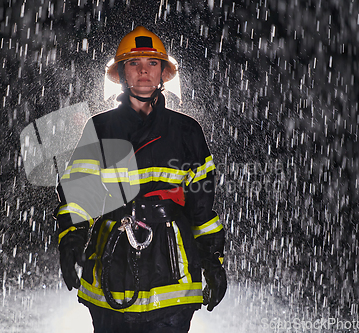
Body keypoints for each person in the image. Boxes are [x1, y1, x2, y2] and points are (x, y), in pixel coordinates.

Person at [54, 26, 227, 333]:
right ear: (122, 73)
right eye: (134, 63)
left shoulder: (187, 131)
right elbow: (78, 195)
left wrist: (213, 260)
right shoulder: (101, 128)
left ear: (163, 74)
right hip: (113, 259)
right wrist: (70, 239)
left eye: (152, 63)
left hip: (172, 265)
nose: (144, 71)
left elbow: (202, 207)